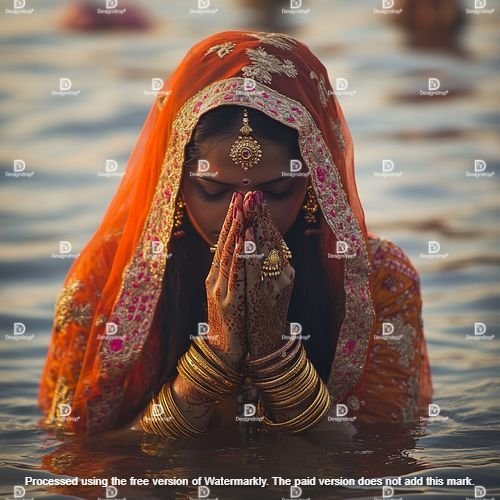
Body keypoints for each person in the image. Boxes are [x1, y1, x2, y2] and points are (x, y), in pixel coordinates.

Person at [39, 30, 432, 436]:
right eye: (214, 191)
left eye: (277, 191)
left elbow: (380, 453)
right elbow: (77, 453)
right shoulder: (107, 280)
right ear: (174, 181)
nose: (242, 218)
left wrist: (273, 352)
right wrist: (215, 358)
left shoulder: (379, 279)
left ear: (314, 182)